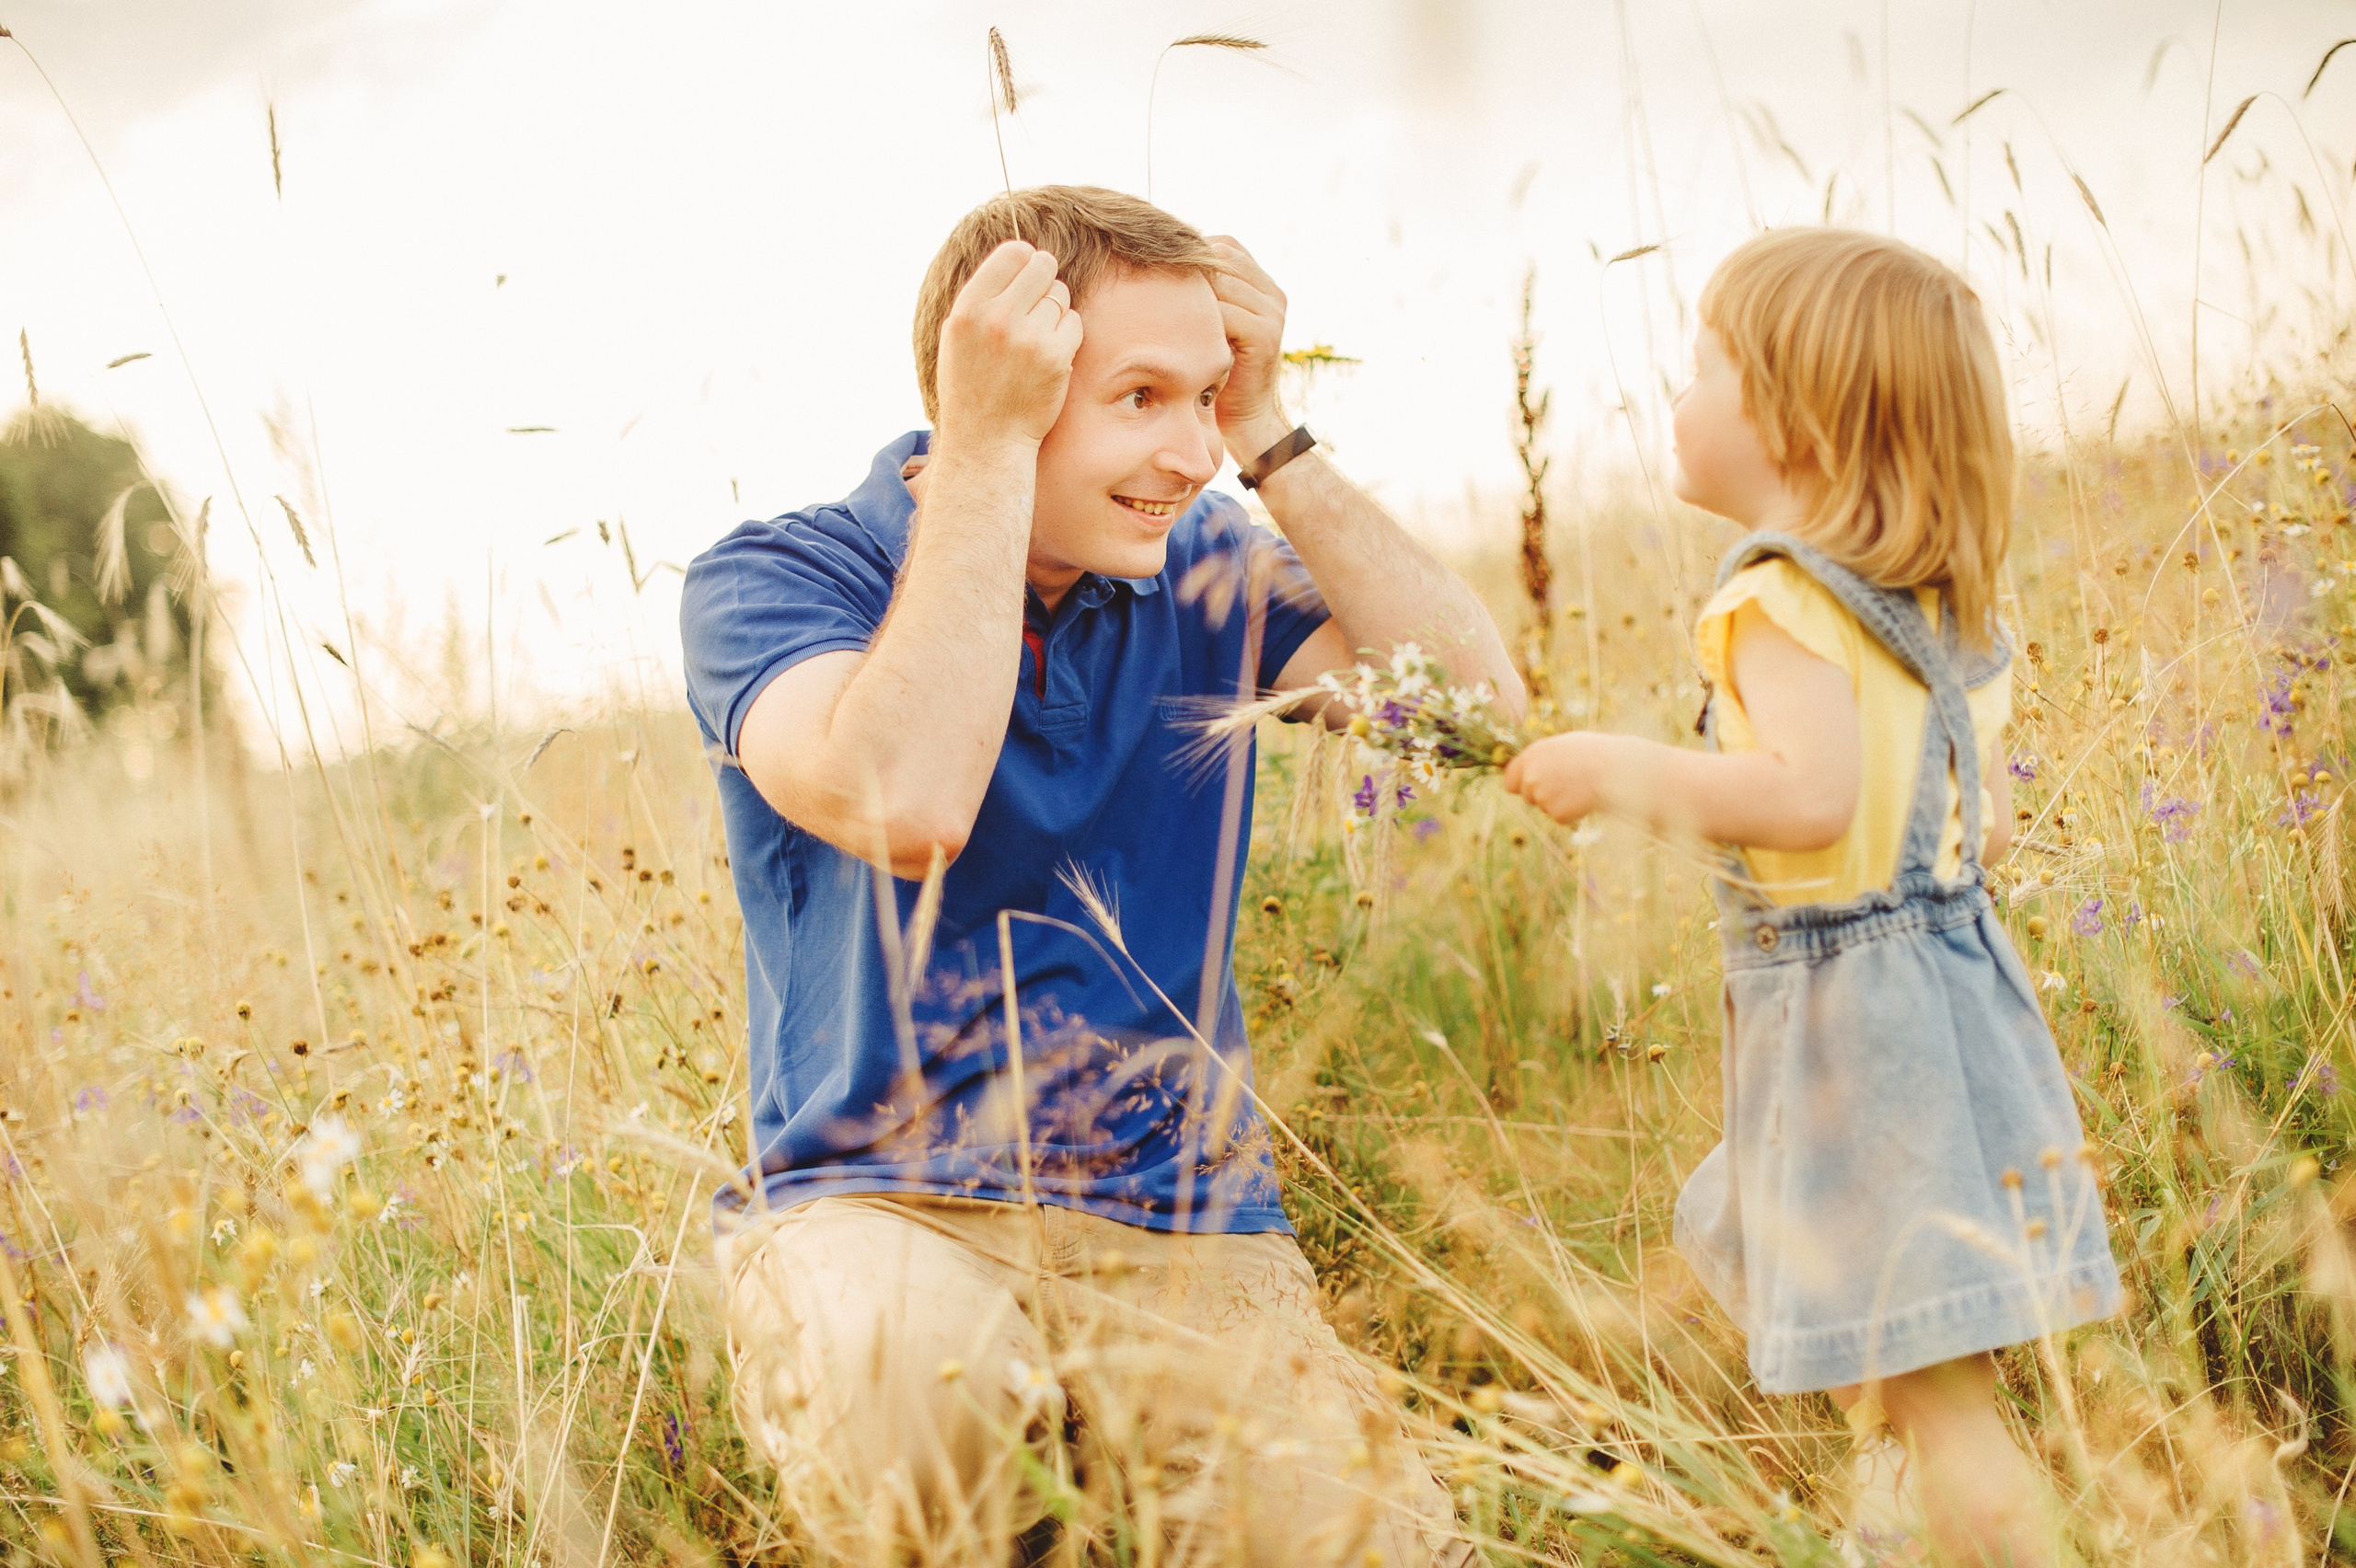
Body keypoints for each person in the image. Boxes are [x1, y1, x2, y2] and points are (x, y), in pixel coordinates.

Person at [679, 185, 1519, 1565]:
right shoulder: (780, 579)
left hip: (1186, 1225)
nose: (1188, 451)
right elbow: (907, 802)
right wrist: (988, 452)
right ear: (1004, 383)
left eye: (1207, 398)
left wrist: (1271, 432)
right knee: (909, 1398)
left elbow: (1476, 713)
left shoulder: (1208, 571)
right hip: (882, 1208)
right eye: (1142, 398)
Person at [1500, 227, 2120, 1568]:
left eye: (1701, 368)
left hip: (1859, 1026)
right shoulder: (1933, 608)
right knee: (1896, 1350)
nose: (1677, 399)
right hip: (1958, 1005)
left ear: (1794, 415)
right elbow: (1980, 823)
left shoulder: (1775, 599)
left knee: (1936, 1389)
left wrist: (1623, 771)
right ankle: (1897, 1531)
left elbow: (1810, 800)